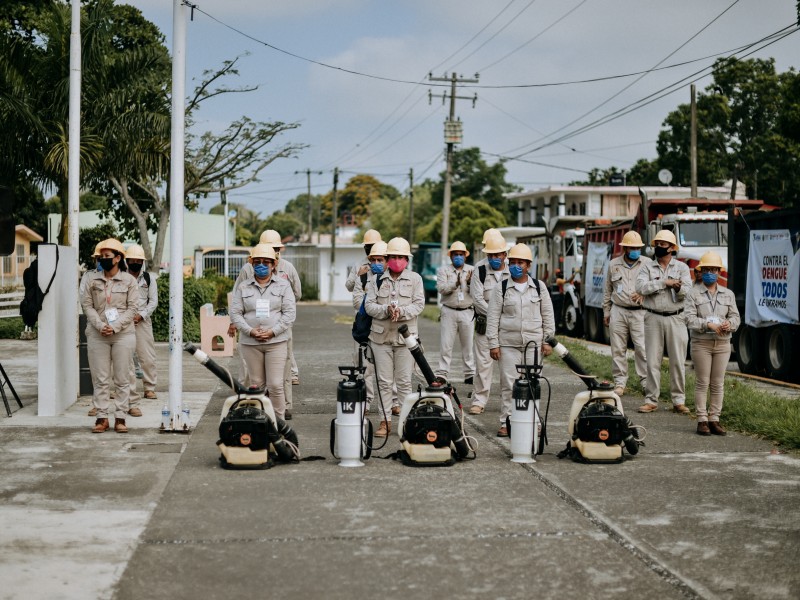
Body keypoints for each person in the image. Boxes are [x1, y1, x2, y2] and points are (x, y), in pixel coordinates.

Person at [486, 244, 555, 437]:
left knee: (532, 383)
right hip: (508, 344)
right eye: (513, 262)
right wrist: (494, 344)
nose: (516, 266)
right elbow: (493, 317)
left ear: (528, 265)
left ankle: (533, 422)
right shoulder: (501, 288)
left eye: (521, 262)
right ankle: (506, 422)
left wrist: (548, 340)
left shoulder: (539, 288)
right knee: (509, 385)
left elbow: (548, 315)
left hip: (533, 343)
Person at [234, 229, 302, 418]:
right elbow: (236, 310)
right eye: (258, 261)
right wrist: (248, 330)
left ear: (275, 260)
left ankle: (281, 416)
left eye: (268, 259)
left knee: (278, 381)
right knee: (255, 383)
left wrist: (274, 328)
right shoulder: (245, 280)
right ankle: (259, 418)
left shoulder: (286, 274)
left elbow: (294, 300)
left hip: (278, 334)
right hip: (251, 339)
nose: (262, 264)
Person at [364, 237, 424, 437]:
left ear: (407, 259)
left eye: (401, 257)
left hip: (406, 338)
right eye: (393, 257)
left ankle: (407, 422)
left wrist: (401, 311)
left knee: (405, 381)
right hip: (381, 337)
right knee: (383, 381)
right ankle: (385, 421)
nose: (397, 260)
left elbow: (419, 304)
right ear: (387, 258)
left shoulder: (415, 279)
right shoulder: (376, 280)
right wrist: (386, 310)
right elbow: (369, 306)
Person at [81, 238, 139, 433]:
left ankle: (121, 417)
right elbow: (87, 306)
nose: (102, 260)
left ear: (117, 258)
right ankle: (102, 417)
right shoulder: (92, 279)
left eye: (106, 256)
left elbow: (132, 309)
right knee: (100, 378)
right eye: (100, 257)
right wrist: (99, 325)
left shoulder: (129, 280)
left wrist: (114, 327)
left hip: (123, 334)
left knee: (122, 378)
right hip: (98, 334)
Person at [635, 229, 692, 414]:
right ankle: (651, 400)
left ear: (672, 248)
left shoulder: (682, 268)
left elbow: (687, 291)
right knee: (652, 361)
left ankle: (678, 400)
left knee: (677, 360)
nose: (658, 247)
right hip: (653, 316)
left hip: (676, 317)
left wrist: (677, 287)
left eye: (662, 244)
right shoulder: (647, 267)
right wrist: (664, 283)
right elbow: (641, 287)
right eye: (657, 244)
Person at [684, 251, 740, 436]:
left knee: (718, 382)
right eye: (706, 269)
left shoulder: (728, 294)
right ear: (701, 271)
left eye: (714, 269)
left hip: (723, 343)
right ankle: (702, 420)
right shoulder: (693, 294)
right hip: (701, 343)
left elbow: (735, 317)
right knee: (702, 382)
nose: (710, 272)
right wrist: (707, 324)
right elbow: (689, 319)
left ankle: (714, 418)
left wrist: (728, 324)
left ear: (719, 272)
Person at [602, 231, 651, 396]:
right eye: (632, 248)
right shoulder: (613, 265)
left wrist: (644, 295)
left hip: (640, 312)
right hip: (618, 310)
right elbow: (608, 289)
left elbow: (655, 286)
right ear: (625, 248)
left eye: (638, 248)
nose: (635, 250)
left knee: (642, 348)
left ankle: (646, 382)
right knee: (618, 349)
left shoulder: (648, 264)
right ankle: (620, 383)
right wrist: (606, 312)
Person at [468, 231, 509, 415]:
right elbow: (477, 299)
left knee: (507, 366)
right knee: (483, 364)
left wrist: (503, 318)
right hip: (485, 323)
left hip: (507, 325)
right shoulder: (480, 269)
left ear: (504, 255)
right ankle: (479, 400)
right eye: (490, 255)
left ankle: (508, 403)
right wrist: (495, 316)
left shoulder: (511, 270)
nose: (494, 258)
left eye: (497, 255)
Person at [351, 240, 388, 413]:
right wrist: (377, 305)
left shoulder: (392, 278)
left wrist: (373, 303)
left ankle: (393, 402)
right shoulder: (363, 276)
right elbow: (358, 302)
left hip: (385, 327)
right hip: (365, 326)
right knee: (364, 367)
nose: (376, 264)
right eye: (373, 260)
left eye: (380, 260)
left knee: (387, 368)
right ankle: (366, 400)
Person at [124, 244, 159, 419]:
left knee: (147, 356)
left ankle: (149, 388)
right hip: (124, 322)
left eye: (139, 261)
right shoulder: (121, 277)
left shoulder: (148, 278)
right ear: (127, 261)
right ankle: (124, 390)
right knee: (124, 357)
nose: (136, 263)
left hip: (143, 321)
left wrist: (141, 315)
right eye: (133, 260)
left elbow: (153, 301)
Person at [435, 240, 475, 384]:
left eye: (461, 254)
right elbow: (441, 288)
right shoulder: (443, 270)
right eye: (455, 254)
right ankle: (442, 373)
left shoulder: (472, 270)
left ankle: (470, 373)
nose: (458, 257)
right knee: (446, 345)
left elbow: (477, 292)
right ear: (451, 256)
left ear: (465, 256)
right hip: (449, 310)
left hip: (467, 311)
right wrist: (455, 284)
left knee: (468, 345)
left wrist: (469, 283)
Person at [345, 229, 382, 293]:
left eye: (373, 246)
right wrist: (358, 276)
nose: (370, 249)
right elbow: (349, 287)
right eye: (368, 246)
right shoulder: (359, 266)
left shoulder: (385, 263)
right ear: (365, 248)